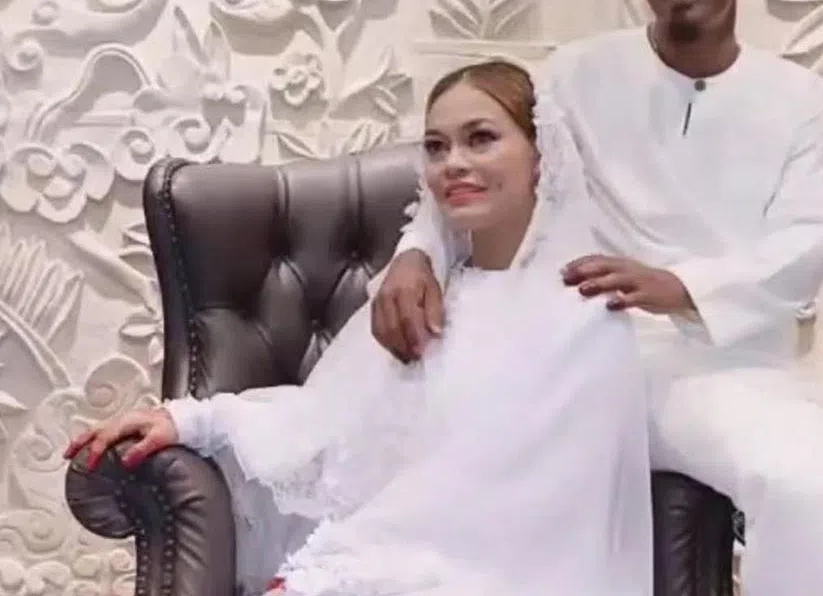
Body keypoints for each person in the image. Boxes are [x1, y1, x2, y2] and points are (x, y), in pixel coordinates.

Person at [370, 0, 823, 594]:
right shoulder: (576, 75)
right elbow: (484, 169)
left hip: (738, 370)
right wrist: (416, 254)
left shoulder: (800, 101)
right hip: (598, 358)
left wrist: (679, 286)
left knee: (814, 477)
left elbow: (801, 251)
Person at [63, 61, 654, 596]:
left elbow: (513, 506)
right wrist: (193, 420)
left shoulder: (584, 314)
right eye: (436, 146)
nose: (454, 163)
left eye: (482, 138)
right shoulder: (430, 298)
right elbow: (333, 422)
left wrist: (342, 573)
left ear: (540, 155)